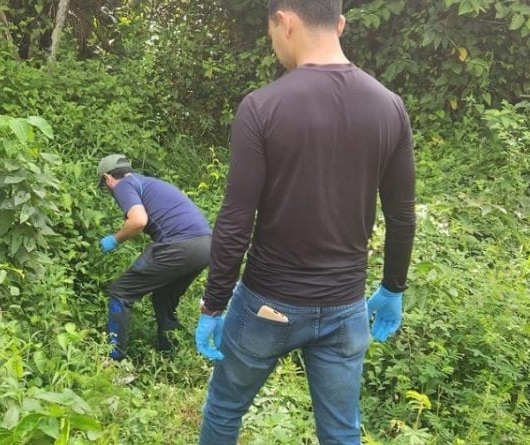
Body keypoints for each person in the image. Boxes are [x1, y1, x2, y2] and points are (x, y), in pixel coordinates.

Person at [193, 0, 416, 443]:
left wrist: (213, 304)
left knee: (223, 411)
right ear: (340, 24)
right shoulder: (390, 107)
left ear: (285, 21)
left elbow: (236, 219)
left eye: (272, 33)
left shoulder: (262, 107)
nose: (275, 44)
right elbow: (402, 214)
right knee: (341, 431)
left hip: (266, 304)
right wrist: (393, 287)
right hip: (345, 305)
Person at [97, 154, 212, 360]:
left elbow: (139, 220)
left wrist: (114, 240)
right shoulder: (146, 182)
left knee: (120, 292)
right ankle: (172, 354)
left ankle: (112, 358)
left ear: (108, 178)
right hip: (205, 246)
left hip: (179, 246)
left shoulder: (123, 185)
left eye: (104, 185)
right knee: (163, 297)